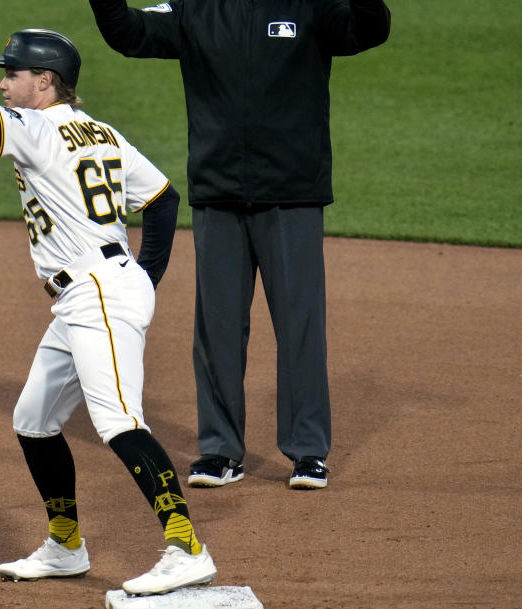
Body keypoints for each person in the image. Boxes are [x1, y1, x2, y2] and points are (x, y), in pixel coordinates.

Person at [0, 28, 216, 595]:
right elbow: (162, 199)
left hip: (97, 289)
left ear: (45, 81)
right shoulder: (101, 131)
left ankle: (186, 547)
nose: (3, 83)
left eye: (13, 74)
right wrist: (143, 277)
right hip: (92, 290)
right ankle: (65, 546)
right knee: (34, 420)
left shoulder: (36, 128)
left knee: (119, 422)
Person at [87, 0, 392, 489]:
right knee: (217, 331)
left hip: (292, 195)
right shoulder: (196, 9)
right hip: (218, 194)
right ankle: (221, 451)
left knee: (301, 326)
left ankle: (308, 451)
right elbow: (130, 34)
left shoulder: (310, 6)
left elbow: (368, 30)